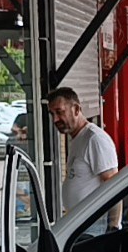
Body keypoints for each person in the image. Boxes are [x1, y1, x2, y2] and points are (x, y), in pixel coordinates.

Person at [49, 86, 119, 224]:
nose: (55, 119)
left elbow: (114, 185)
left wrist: (113, 227)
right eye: (52, 114)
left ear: (76, 109)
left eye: (59, 112)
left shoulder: (94, 139)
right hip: (79, 224)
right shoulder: (77, 138)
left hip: (95, 225)